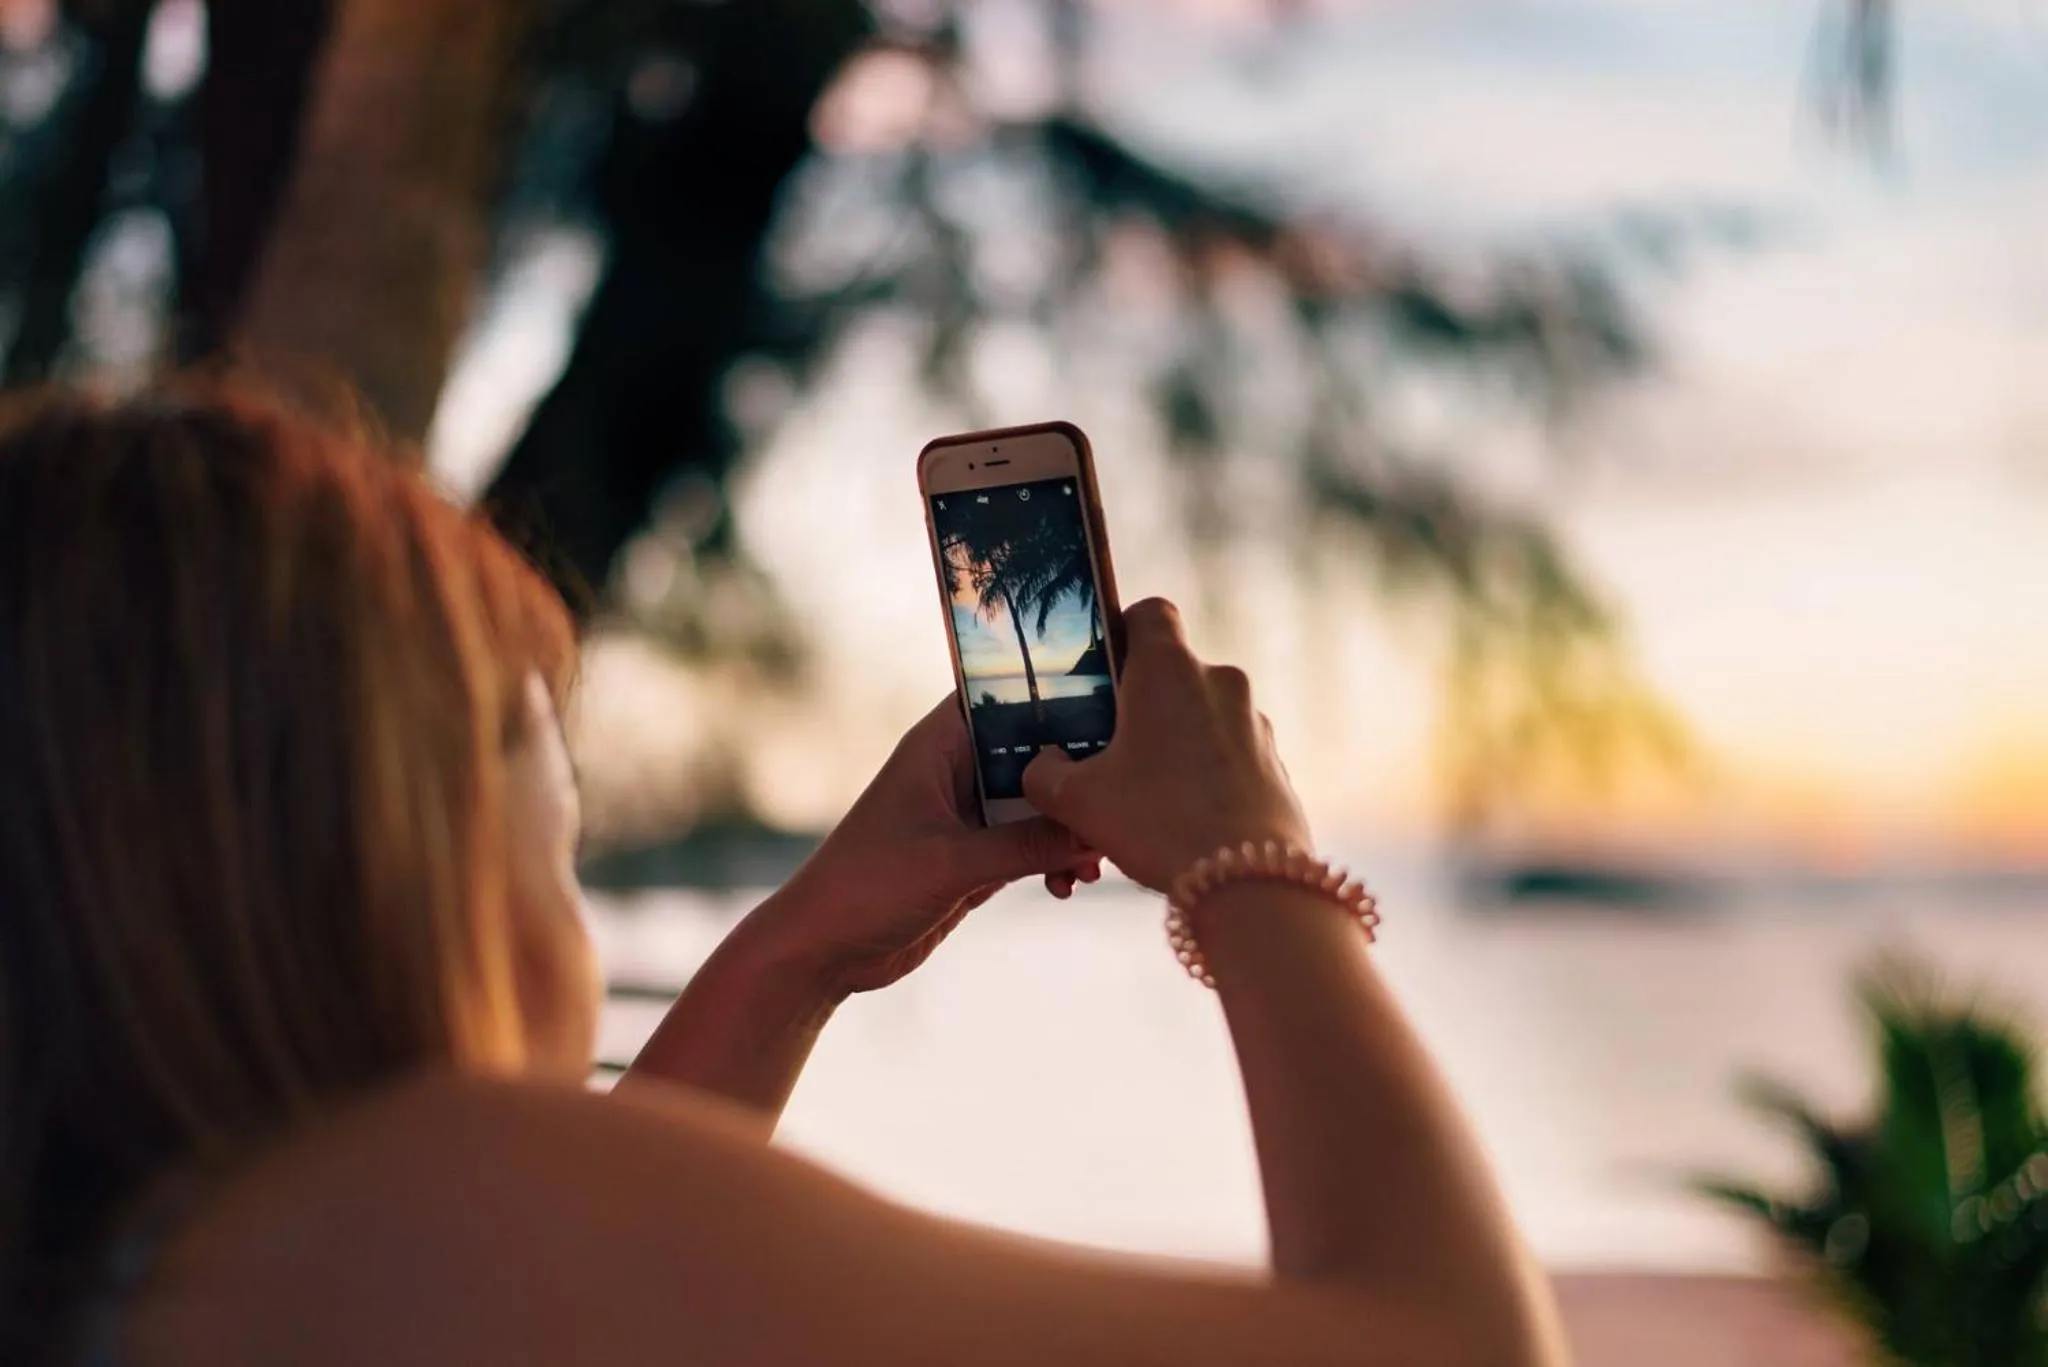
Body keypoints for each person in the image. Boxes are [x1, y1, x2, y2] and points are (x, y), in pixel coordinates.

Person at [0, 382, 1566, 1367]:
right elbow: (1456, 1348)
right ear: (378, 862)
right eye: (551, 829)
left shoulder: (170, 1256)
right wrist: (1252, 861)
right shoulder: (401, 1199)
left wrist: (795, 952)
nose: (574, 904)